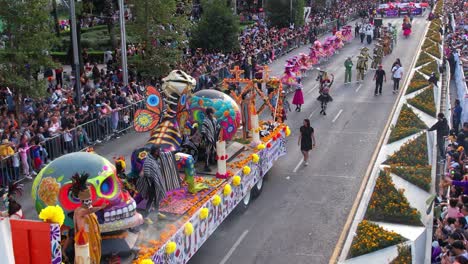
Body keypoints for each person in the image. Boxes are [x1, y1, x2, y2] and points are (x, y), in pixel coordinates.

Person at [71, 173, 106, 264]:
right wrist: (101, 207)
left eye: (89, 200)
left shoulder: (88, 207)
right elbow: (89, 211)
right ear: (81, 201)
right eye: (86, 201)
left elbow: (90, 207)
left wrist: (96, 200)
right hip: (84, 241)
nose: (89, 202)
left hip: (92, 238)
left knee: (95, 257)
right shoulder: (80, 211)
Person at [135, 145, 166, 222]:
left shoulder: (155, 159)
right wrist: (153, 181)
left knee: (157, 198)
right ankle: (146, 217)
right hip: (150, 184)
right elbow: (147, 173)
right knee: (151, 199)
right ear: (155, 152)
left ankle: (156, 212)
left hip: (156, 183)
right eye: (159, 150)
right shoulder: (149, 161)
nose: (160, 152)